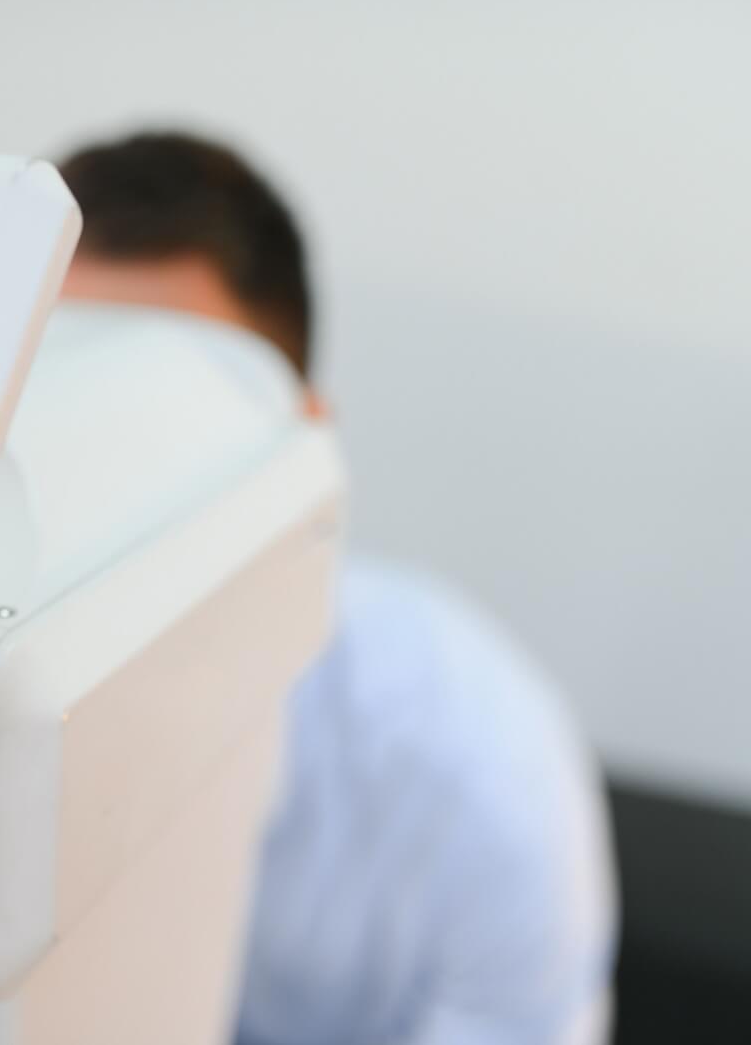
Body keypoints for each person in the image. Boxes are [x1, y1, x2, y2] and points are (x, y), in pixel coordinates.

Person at [57, 134, 617, 1045]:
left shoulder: (478, 772)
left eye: (166, 432)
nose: (99, 503)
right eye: (51, 416)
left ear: (303, 463)